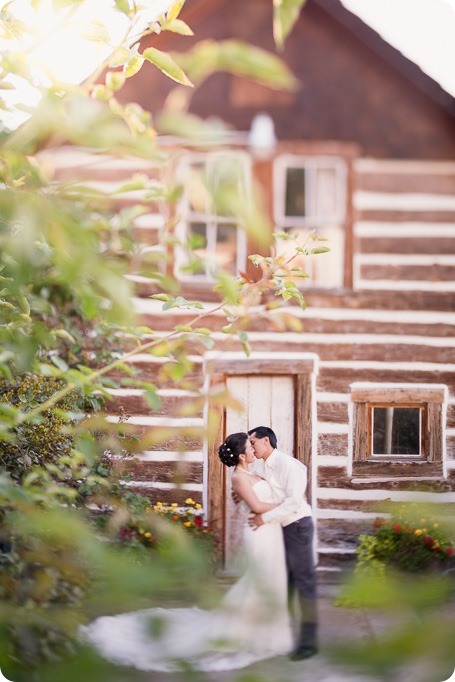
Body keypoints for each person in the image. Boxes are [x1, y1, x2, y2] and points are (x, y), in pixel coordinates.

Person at [82, 432, 293, 672]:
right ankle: (242, 634)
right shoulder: (239, 478)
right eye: (250, 447)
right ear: (242, 455)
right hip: (259, 534)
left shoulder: (251, 473)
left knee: (273, 579)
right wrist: (289, 504)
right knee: (260, 580)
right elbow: (256, 506)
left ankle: (265, 633)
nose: (254, 450)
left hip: (270, 530)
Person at [247, 425, 318, 661]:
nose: (251, 447)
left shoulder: (289, 465)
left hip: (298, 526)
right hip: (279, 528)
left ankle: (308, 643)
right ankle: (282, 636)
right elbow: (251, 481)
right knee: (283, 582)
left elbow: (295, 503)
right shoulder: (259, 465)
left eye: (253, 443)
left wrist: (263, 517)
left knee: (303, 581)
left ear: (266, 441)